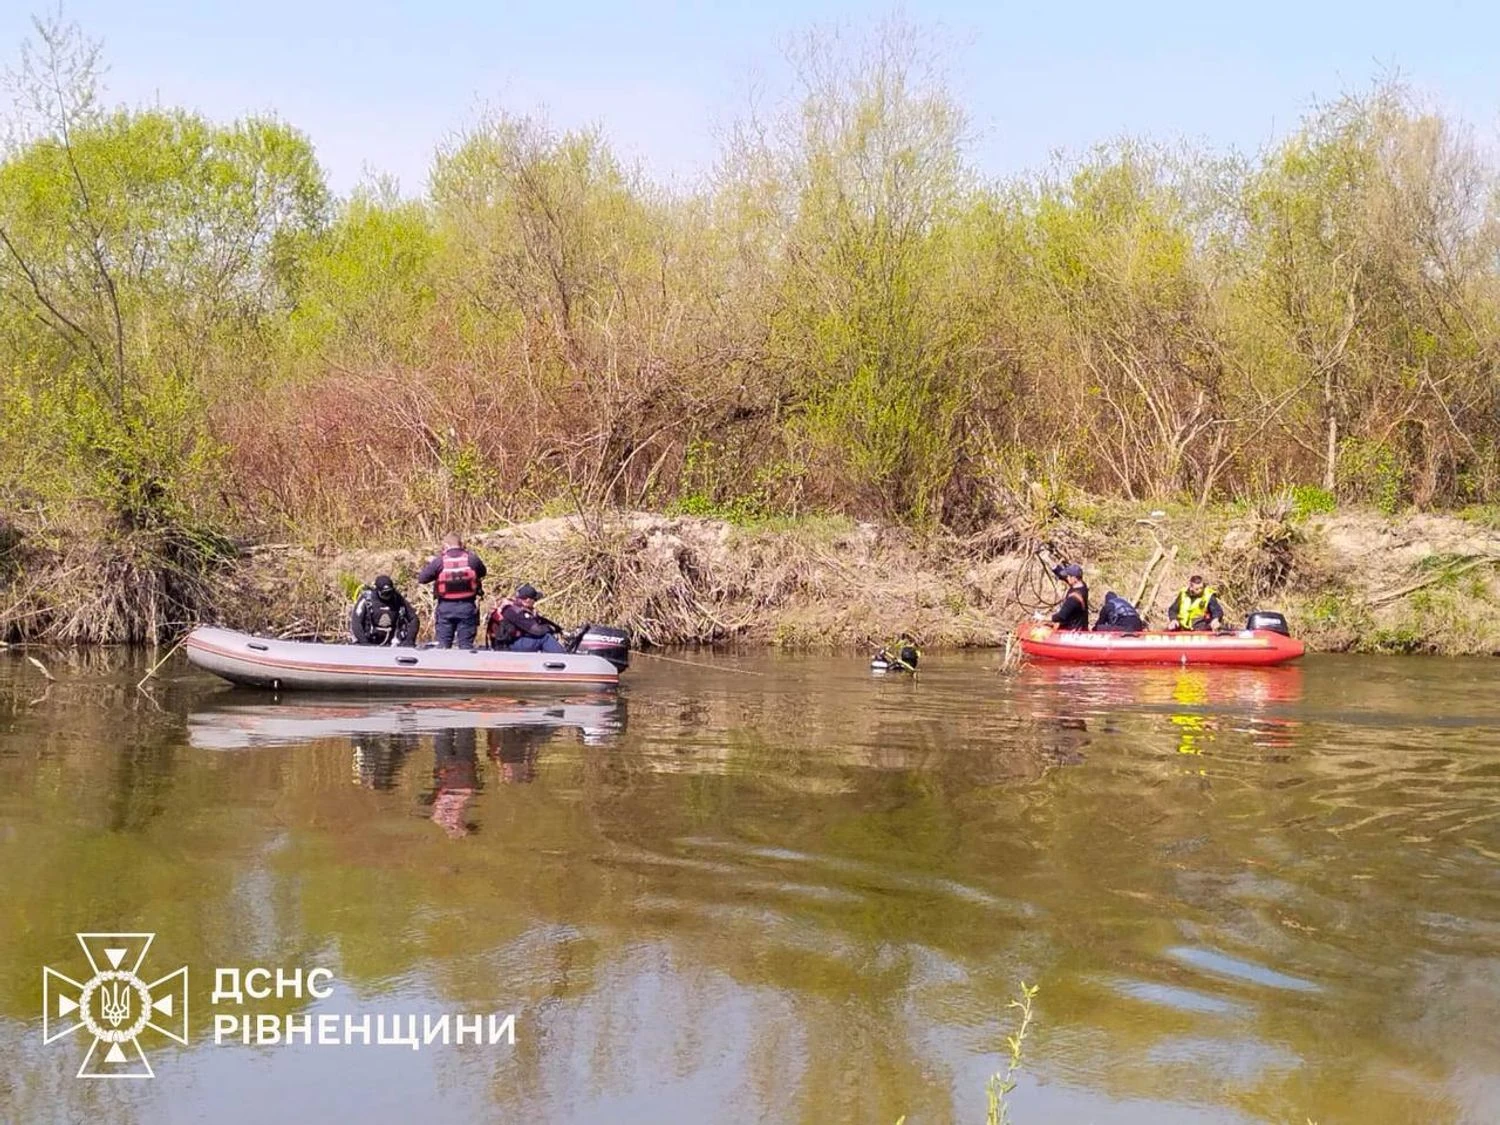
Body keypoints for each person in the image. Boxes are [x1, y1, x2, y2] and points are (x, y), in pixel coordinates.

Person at [416, 533, 488, 649]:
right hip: (467, 607)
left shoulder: (439, 561)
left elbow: (422, 579)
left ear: (446, 545)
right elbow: (483, 572)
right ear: (461, 544)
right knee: (466, 646)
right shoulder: (472, 559)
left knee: (443, 646)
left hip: (445, 608)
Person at [488, 583, 567, 653]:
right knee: (545, 638)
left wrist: (558, 629)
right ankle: (563, 659)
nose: (535, 602)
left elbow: (540, 620)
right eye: (534, 599)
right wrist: (550, 629)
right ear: (528, 600)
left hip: (512, 641)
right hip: (509, 645)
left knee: (544, 635)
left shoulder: (516, 607)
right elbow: (537, 630)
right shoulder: (515, 612)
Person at [349, 574, 419, 646]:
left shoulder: (397, 598)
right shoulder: (367, 599)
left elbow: (414, 618)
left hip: (393, 643)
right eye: (384, 594)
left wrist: (409, 640)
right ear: (377, 591)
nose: (388, 596)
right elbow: (356, 622)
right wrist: (364, 642)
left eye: (390, 593)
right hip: (370, 640)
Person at [1048, 562, 1090, 630]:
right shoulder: (1082, 585)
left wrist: (1043, 618)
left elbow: (1061, 616)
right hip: (1080, 626)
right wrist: (1055, 568)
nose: (1067, 578)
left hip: (1073, 630)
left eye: (1068, 576)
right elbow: (1063, 576)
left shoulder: (1073, 599)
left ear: (1074, 578)